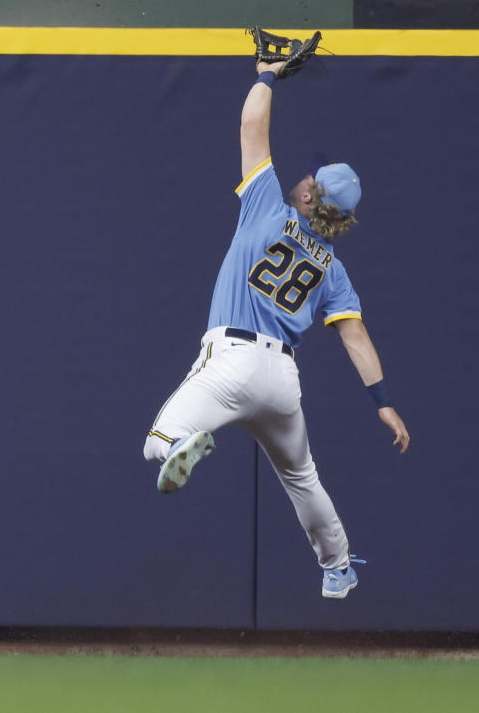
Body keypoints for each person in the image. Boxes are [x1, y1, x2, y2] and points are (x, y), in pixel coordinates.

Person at [143, 57, 410, 600]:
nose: (303, 176)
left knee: (156, 446)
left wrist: (266, 74)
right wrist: (382, 400)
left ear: (310, 197)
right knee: (302, 477)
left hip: (232, 361)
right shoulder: (333, 269)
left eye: (311, 178)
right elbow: (355, 336)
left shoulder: (268, 206)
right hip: (282, 379)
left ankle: (188, 440)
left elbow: (251, 126)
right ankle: (337, 569)